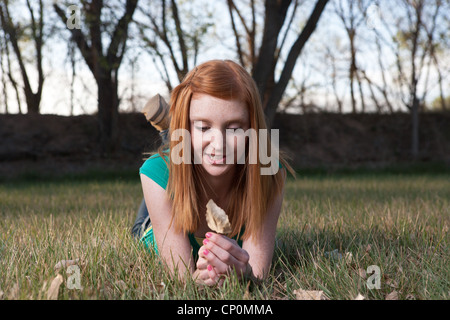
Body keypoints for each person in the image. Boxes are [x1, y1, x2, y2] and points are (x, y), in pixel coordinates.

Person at [132, 60, 295, 286]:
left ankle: (177, 131)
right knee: (167, 171)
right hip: (155, 214)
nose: (219, 144)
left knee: (192, 152)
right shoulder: (156, 172)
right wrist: (197, 281)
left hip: (191, 151)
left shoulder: (269, 172)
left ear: (251, 129)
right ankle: (174, 134)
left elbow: (258, 275)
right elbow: (182, 281)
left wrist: (244, 275)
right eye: (204, 126)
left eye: (234, 128)